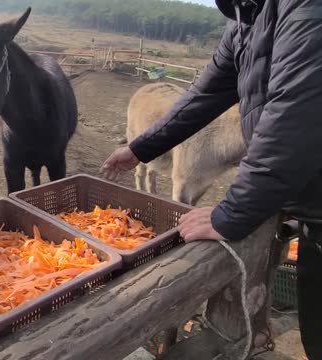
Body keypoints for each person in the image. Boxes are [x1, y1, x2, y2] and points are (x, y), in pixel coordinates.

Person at [100, 0, 322, 358]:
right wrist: (140, 147)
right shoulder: (245, 16)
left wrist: (230, 215)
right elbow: (204, 94)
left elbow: (296, 115)